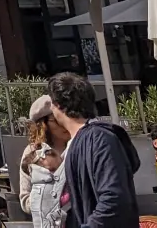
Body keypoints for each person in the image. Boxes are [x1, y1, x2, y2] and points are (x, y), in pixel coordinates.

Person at [48, 71, 140, 228]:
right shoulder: (82, 140)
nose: (50, 108)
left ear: (58, 105)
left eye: (51, 102)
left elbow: (114, 199)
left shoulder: (99, 139)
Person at [17, 96, 66, 228]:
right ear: (43, 124)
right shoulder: (32, 153)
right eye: (56, 119)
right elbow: (25, 199)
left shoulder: (76, 145)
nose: (63, 122)